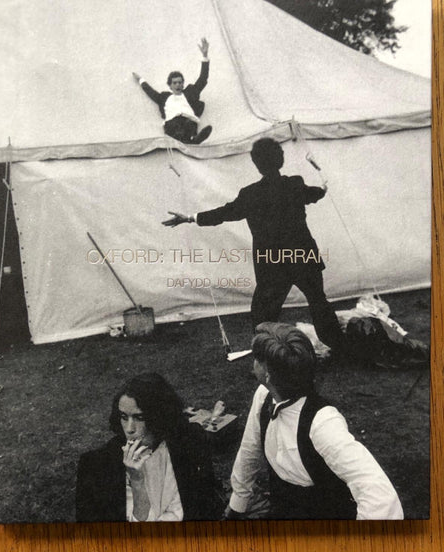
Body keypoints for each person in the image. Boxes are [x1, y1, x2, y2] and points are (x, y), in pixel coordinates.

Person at [163, 137, 344, 355]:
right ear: (281, 160)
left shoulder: (250, 194)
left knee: (263, 314)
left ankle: (266, 355)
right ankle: (341, 346)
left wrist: (190, 218)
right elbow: (313, 194)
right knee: (319, 303)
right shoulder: (294, 184)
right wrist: (323, 190)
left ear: (256, 164)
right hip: (303, 255)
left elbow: (224, 213)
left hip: (272, 262)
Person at [224, 323, 404, 520]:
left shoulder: (323, 423)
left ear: (268, 373)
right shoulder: (264, 395)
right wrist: (237, 504)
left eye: (257, 359)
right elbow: (250, 448)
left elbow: (381, 496)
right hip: (283, 507)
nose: (253, 362)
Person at [75, 373, 220, 522]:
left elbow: (205, 504)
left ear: (159, 417)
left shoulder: (190, 441)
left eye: (140, 417)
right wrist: (137, 481)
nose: (130, 429)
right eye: (124, 417)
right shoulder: (95, 466)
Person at [132, 38, 212, 145]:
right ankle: (191, 141)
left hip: (188, 120)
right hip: (172, 124)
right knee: (176, 128)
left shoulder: (190, 93)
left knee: (189, 124)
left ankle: (194, 139)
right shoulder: (164, 98)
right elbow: (151, 92)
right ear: (170, 85)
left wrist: (205, 56)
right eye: (174, 83)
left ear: (183, 84)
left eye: (180, 82)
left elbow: (203, 79)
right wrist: (140, 80)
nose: (178, 85)